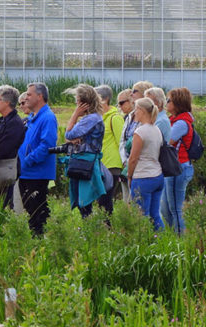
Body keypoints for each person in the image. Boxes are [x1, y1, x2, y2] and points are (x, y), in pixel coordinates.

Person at [17, 82, 58, 236]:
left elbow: (46, 145)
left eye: (29, 94)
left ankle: (40, 244)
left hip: (36, 173)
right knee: (30, 211)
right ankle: (35, 242)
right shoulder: (32, 118)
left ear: (40, 96)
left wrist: (26, 161)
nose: (26, 97)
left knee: (37, 213)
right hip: (26, 172)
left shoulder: (47, 117)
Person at [63, 84, 107, 218]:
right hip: (85, 161)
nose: (76, 105)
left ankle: (90, 230)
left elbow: (69, 134)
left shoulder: (91, 119)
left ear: (83, 103)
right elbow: (70, 139)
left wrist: (75, 114)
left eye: (77, 102)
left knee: (85, 202)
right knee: (84, 202)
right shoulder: (92, 119)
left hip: (85, 162)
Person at [126, 97, 165, 230]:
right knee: (155, 214)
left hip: (143, 176)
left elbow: (133, 158)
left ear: (142, 111)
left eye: (136, 110)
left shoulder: (140, 132)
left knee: (140, 215)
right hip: (157, 175)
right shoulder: (156, 130)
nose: (134, 113)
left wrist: (129, 175)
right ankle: (161, 240)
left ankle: (142, 241)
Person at [162, 87, 196, 234]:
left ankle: (179, 239)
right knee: (165, 207)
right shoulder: (175, 120)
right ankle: (173, 234)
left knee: (176, 207)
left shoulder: (181, 123)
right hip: (173, 168)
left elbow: (166, 142)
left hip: (178, 168)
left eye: (168, 100)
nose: (166, 102)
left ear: (177, 103)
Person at [95, 84, 126, 214]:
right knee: (101, 202)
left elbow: (122, 142)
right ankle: (104, 229)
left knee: (105, 202)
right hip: (101, 165)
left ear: (104, 99)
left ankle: (107, 230)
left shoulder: (115, 118)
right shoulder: (99, 118)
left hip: (112, 166)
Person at [0, 84, 26, 209]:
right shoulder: (1, 120)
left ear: (7, 102)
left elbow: (3, 149)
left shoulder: (15, 124)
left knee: (4, 206)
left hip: (5, 171)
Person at [118, 88, 138, 173]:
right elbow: (121, 141)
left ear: (131, 100)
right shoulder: (127, 117)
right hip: (126, 161)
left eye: (121, 103)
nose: (119, 106)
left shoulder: (138, 117)